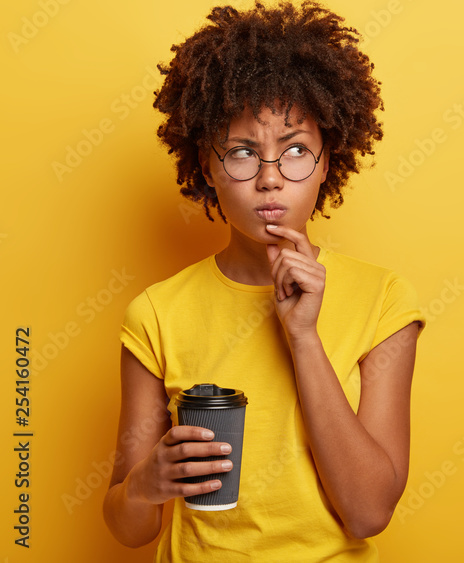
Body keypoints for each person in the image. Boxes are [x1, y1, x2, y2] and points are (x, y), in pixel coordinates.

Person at [102, 2, 425, 560]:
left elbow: (369, 513)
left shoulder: (384, 301)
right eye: (244, 153)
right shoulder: (156, 314)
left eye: (296, 150)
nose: (271, 180)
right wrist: (145, 484)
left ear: (328, 161)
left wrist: (303, 335)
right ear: (207, 167)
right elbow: (129, 526)